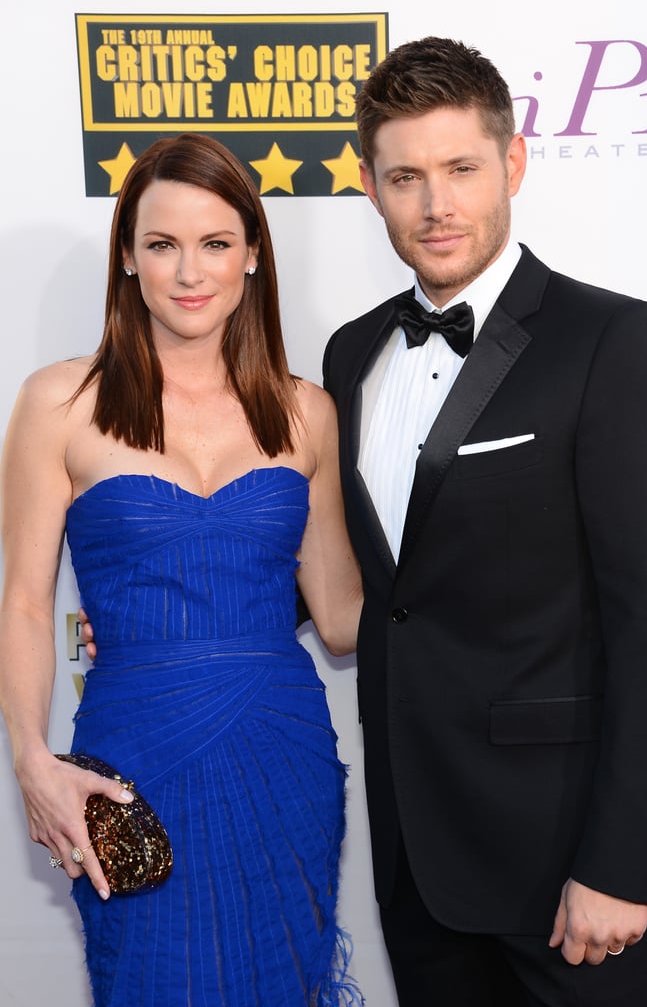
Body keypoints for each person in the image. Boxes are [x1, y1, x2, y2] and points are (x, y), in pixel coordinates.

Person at [321, 36, 647, 1006]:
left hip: (567, 864)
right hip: (413, 862)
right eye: (405, 176)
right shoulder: (351, 354)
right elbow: (373, 583)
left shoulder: (612, 339)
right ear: (370, 184)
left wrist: (627, 862)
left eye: (461, 169)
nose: (436, 205)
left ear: (512, 163)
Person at [0, 133, 364, 1007]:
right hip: (134, 759)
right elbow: (22, 601)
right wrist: (32, 763)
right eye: (161, 244)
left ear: (251, 257)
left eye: (215, 243)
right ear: (128, 257)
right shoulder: (60, 402)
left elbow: (345, 613)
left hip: (283, 749)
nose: (188, 271)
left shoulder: (305, 409)